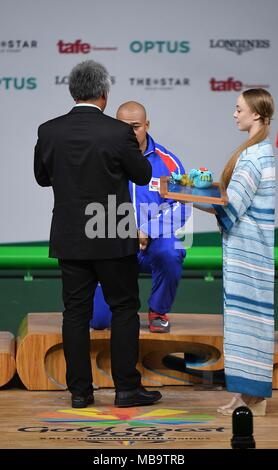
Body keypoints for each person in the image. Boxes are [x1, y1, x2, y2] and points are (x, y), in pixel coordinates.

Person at [34, 60, 162, 408]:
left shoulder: (49, 130)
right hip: (112, 230)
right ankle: (126, 390)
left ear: (73, 91)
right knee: (124, 309)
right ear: (104, 94)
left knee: (75, 312)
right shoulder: (119, 132)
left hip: (70, 233)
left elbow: (42, 178)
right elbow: (141, 174)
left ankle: (79, 393)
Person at [195, 88, 275, 416]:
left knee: (249, 325)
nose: (234, 114)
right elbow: (230, 197)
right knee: (245, 324)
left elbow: (232, 207)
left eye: (239, 108)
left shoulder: (254, 155)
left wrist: (186, 198)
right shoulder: (259, 150)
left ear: (256, 114)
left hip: (249, 253)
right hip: (249, 251)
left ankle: (253, 397)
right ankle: (246, 394)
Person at [91, 101, 191, 333]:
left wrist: (147, 229)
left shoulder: (167, 161)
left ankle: (158, 311)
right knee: (99, 323)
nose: (128, 132)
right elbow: (91, 205)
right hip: (113, 245)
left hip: (153, 244)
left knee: (171, 250)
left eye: (135, 127)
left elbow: (182, 205)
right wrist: (125, 231)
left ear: (147, 125)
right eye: (122, 126)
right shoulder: (100, 159)